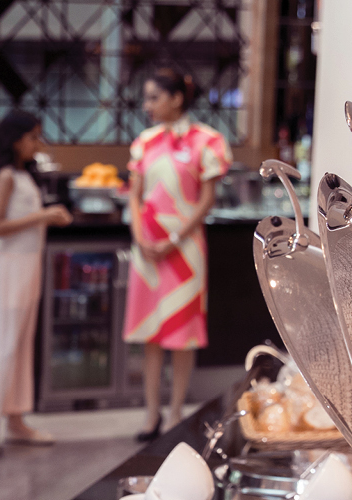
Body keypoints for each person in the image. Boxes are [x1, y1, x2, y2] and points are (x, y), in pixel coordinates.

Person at [123, 68, 228, 442]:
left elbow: (206, 201)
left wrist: (174, 237)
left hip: (184, 248)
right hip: (146, 249)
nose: (147, 105)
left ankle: (175, 414)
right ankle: (151, 415)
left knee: (182, 334)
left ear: (176, 99)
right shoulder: (145, 142)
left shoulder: (208, 141)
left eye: (154, 97)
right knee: (150, 334)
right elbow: (134, 196)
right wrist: (140, 237)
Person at [0, 110, 72, 461]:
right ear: (15, 139)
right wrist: (45, 214)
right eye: (32, 137)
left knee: (21, 345)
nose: (36, 143)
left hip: (29, 267)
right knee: (4, 346)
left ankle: (16, 420)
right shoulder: (4, 177)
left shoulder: (23, 175)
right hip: (8, 268)